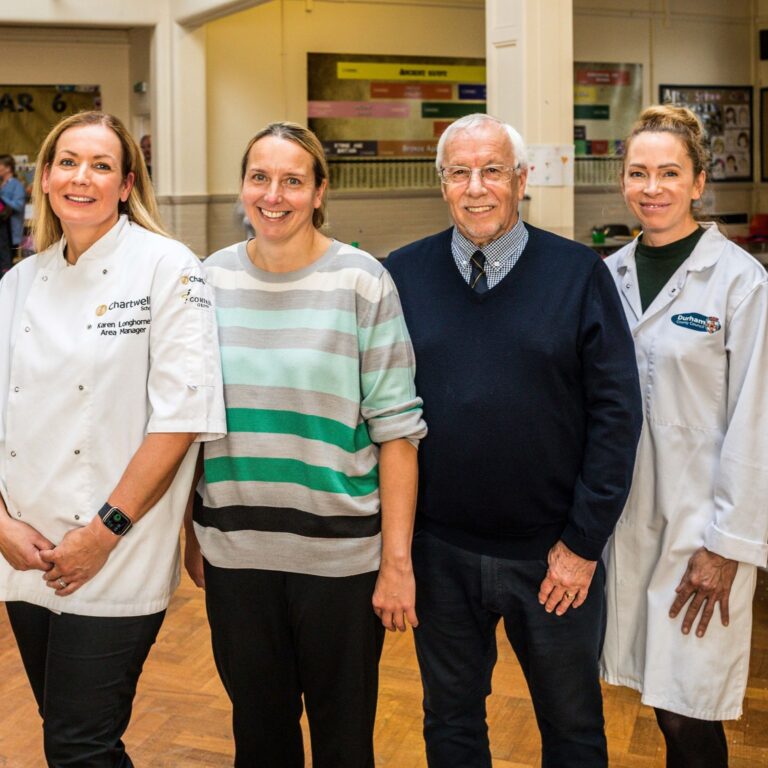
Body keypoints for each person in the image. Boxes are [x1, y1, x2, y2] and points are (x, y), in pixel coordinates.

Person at [385, 112, 643, 768]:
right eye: (459, 173)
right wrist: (399, 551)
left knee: (573, 729)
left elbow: (617, 417)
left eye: (493, 170)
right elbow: (382, 413)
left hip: (553, 560)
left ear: (522, 180)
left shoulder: (578, 274)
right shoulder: (402, 275)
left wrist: (582, 546)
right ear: (442, 184)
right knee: (450, 725)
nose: (476, 188)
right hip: (440, 554)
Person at [184, 121, 426, 768]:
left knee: (344, 742)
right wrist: (190, 535)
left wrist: (396, 563)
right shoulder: (207, 281)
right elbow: (189, 419)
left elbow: (398, 432)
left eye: (293, 181)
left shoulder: (363, 282)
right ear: (242, 186)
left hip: (340, 562)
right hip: (237, 555)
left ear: (320, 192)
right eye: (259, 178)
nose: (273, 195)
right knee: (260, 739)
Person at [0, 111, 226, 767]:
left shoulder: (169, 268)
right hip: (25, 550)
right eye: (68, 162)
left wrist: (101, 535)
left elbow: (180, 419)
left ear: (126, 185)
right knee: (68, 734)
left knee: (79, 744)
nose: (82, 177)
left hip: (118, 549)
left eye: (101, 166)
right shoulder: (17, 284)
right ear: (45, 178)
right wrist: (1, 526)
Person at [600, 105, 768, 768]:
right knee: (656, 698)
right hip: (627, 522)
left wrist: (726, 547)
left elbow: (757, 421)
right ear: (623, 181)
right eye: (639, 172)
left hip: (703, 529)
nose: (653, 188)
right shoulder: (607, 276)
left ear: (699, 182)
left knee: (688, 711)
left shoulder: (740, 282)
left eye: (670, 173)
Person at [0, 154, 26, 277]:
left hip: (10, 231)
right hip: (2, 230)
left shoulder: (17, 185)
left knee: (6, 263)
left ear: (8, 168)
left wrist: (2, 198)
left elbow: (19, 205)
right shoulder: (2, 184)